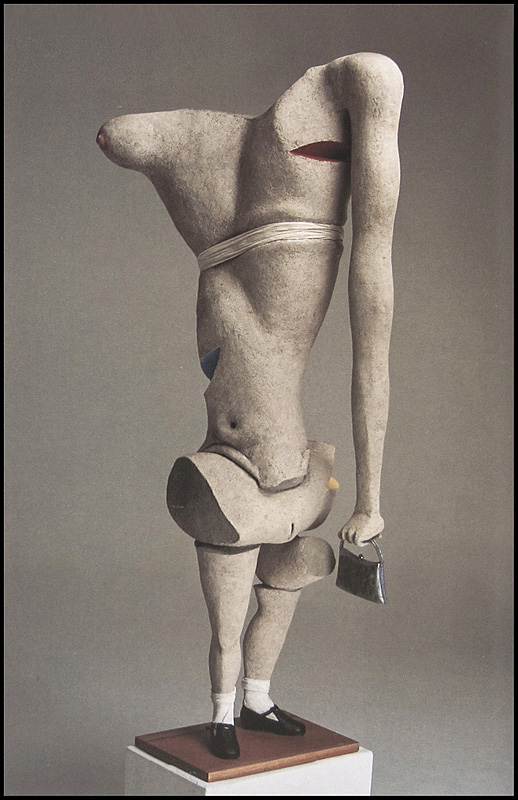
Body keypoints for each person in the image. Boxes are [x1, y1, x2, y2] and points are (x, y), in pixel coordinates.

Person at [97, 52, 403, 759]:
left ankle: (256, 701)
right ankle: (223, 714)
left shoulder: (352, 95)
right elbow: (371, 317)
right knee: (229, 622)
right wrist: (370, 498)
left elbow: (372, 323)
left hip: (292, 474)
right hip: (231, 476)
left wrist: (370, 498)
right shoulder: (331, 114)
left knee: (280, 593)